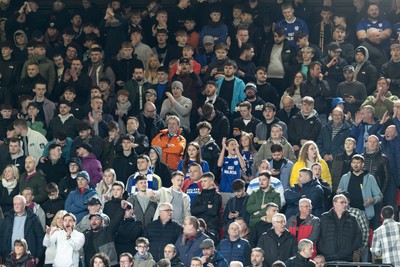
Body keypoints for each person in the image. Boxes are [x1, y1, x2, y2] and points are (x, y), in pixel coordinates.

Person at [337, 154, 383, 223]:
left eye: (358, 163)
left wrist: (372, 200)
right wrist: (339, 193)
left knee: (363, 233)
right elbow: (338, 194)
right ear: (351, 164)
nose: (356, 165)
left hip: (364, 214)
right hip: (347, 213)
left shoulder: (370, 178)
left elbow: (379, 196)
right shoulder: (345, 177)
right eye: (354, 162)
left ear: (362, 164)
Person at [317, 194, 362, 262]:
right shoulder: (324, 217)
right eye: (342, 202)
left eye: (345, 202)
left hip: (347, 257)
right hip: (327, 257)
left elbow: (358, 235)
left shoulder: (352, 218)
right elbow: (319, 235)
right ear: (334, 204)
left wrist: (352, 249)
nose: (344, 205)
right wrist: (322, 249)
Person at [0, 195, 44, 264]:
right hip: (9, 256)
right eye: (15, 204)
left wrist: (38, 255)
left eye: (19, 204)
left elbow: (40, 237)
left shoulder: (33, 218)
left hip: (28, 257)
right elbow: (2, 236)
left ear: (24, 205)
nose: (16, 206)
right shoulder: (7, 218)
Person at [191, 172, 222, 236]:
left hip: (211, 227)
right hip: (198, 227)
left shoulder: (217, 196)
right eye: (201, 181)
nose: (202, 183)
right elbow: (193, 211)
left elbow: (214, 212)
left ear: (211, 182)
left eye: (205, 181)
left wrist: (200, 209)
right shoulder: (198, 196)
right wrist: (206, 207)